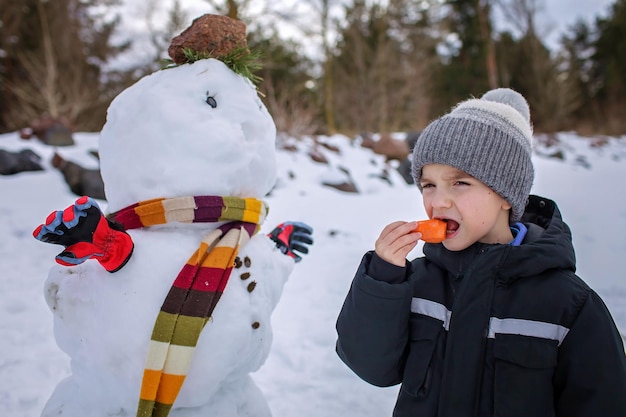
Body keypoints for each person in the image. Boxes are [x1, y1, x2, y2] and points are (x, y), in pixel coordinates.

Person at [335, 88, 626, 417]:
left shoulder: (568, 305)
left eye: (459, 183)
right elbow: (371, 366)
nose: (438, 201)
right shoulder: (418, 281)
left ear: (506, 195)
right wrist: (383, 280)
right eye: (428, 185)